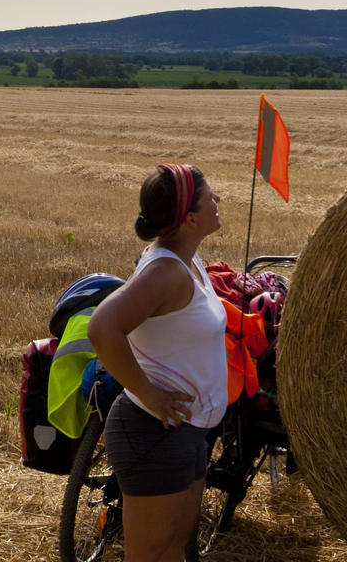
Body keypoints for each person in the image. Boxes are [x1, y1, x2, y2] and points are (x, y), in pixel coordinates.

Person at [83, 165, 248, 562]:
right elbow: (103, 327)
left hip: (185, 432)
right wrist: (150, 394)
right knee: (150, 554)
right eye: (211, 196)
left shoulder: (186, 259)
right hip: (154, 433)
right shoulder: (167, 272)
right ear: (190, 217)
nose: (218, 200)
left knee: (175, 546)